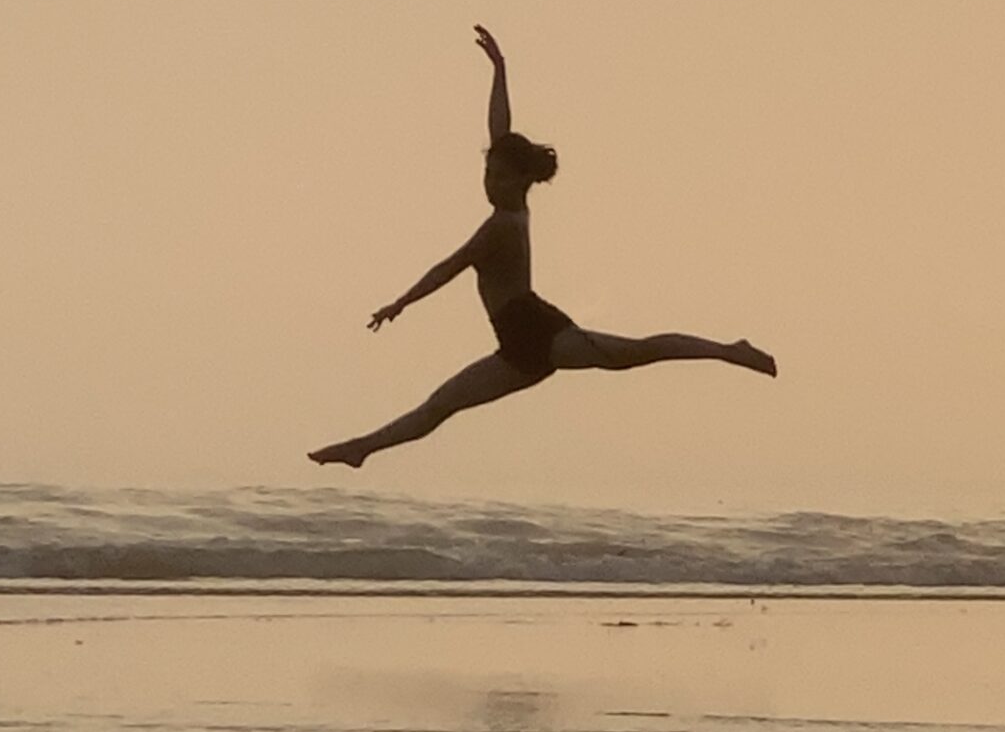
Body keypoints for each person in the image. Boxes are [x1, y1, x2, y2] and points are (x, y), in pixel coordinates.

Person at [309, 25, 775, 468]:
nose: (490, 182)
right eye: (487, 173)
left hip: (540, 333)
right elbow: (500, 131)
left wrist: (400, 303)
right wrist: (499, 70)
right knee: (439, 406)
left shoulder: (501, 227)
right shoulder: (513, 204)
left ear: (522, 181)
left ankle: (728, 350)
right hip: (515, 350)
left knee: (635, 353)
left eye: (500, 177)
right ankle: (362, 449)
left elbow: (448, 267)